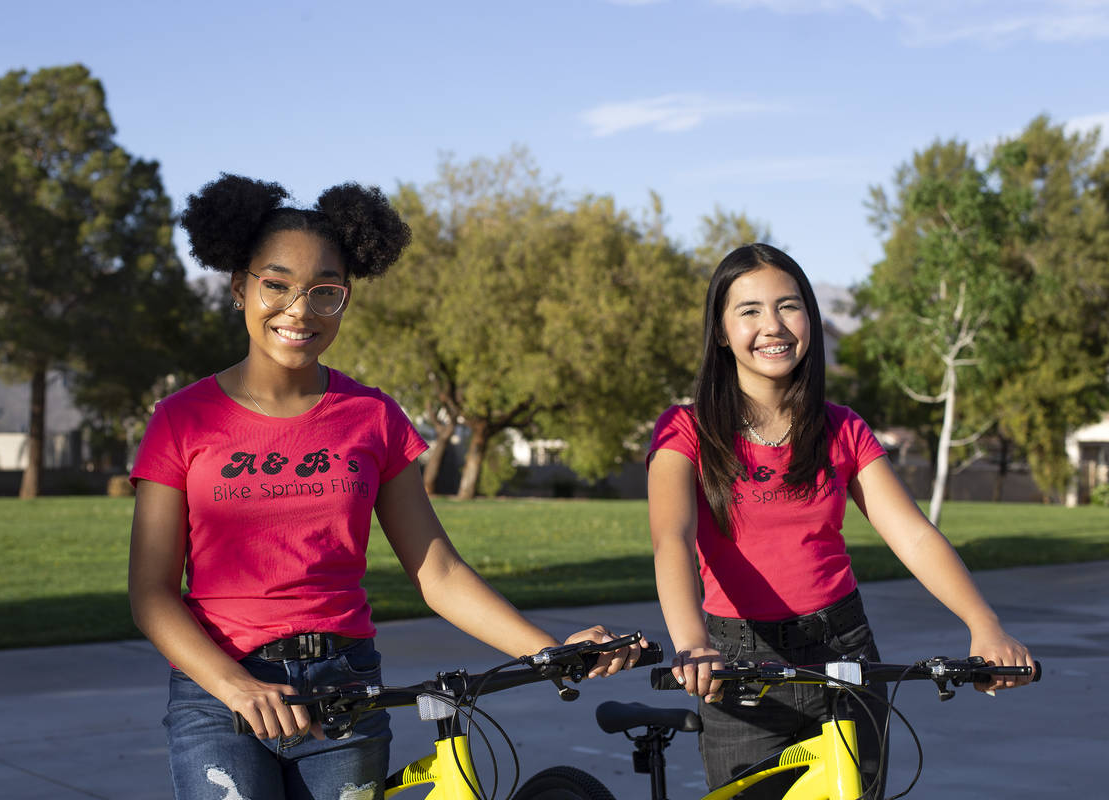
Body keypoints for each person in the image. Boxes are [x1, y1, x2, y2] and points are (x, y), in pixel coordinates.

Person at [128, 173, 640, 800]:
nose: (300, 309)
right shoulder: (182, 419)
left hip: (347, 690)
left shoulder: (372, 416)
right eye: (277, 285)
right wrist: (236, 686)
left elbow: (439, 574)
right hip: (220, 696)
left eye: (325, 291)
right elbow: (152, 593)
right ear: (240, 288)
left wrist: (548, 650)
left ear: (345, 298)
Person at [647, 243, 1034, 799]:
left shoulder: (842, 428)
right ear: (721, 331)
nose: (772, 325)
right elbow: (673, 540)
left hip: (843, 651)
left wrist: (984, 625)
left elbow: (912, 534)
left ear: (811, 318)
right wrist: (692, 643)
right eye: (749, 310)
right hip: (736, 665)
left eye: (789, 305)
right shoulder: (685, 430)